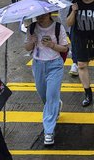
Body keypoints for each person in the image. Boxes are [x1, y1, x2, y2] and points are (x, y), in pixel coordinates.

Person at [24, 13, 68, 146]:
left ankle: (48, 131)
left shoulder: (58, 27)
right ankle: (55, 105)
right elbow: (26, 48)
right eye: (37, 15)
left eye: (42, 15)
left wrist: (52, 45)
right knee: (43, 94)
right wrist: (31, 42)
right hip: (38, 65)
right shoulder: (32, 27)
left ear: (49, 14)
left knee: (51, 95)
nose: (39, 17)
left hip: (55, 65)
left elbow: (65, 48)